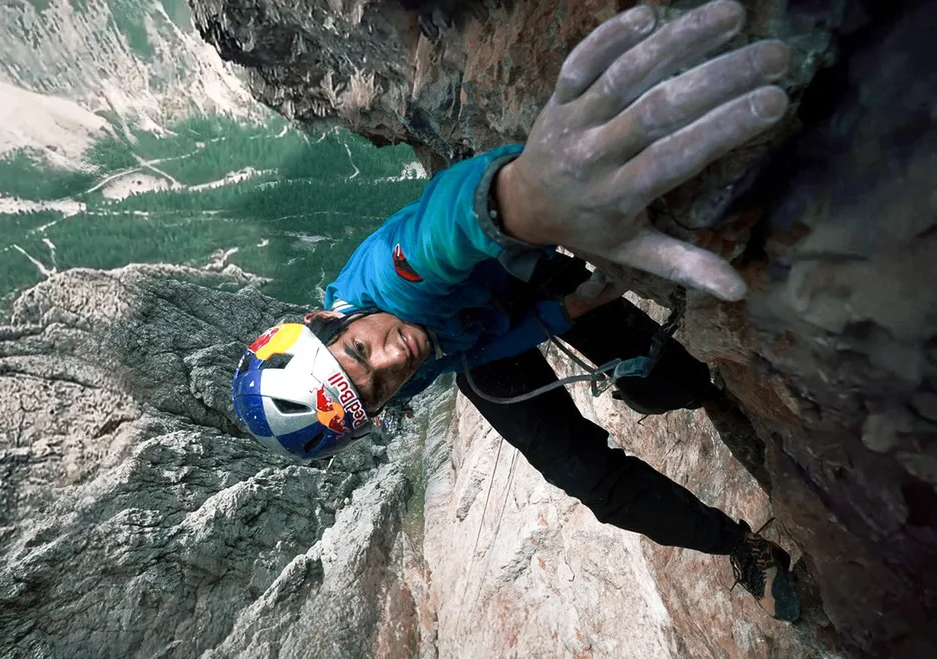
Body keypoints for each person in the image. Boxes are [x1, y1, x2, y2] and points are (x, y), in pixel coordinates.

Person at [230, 1, 801, 622]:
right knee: (593, 482)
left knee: (665, 383)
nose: (396, 358)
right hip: (486, 333)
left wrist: (523, 196)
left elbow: (438, 233)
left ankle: (708, 391)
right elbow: (463, 352)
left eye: (359, 351)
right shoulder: (390, 372)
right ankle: (742, 545)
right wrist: (564, 314)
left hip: (513, 258)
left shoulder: (390, 284)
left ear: (325, 323)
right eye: (377, 388)